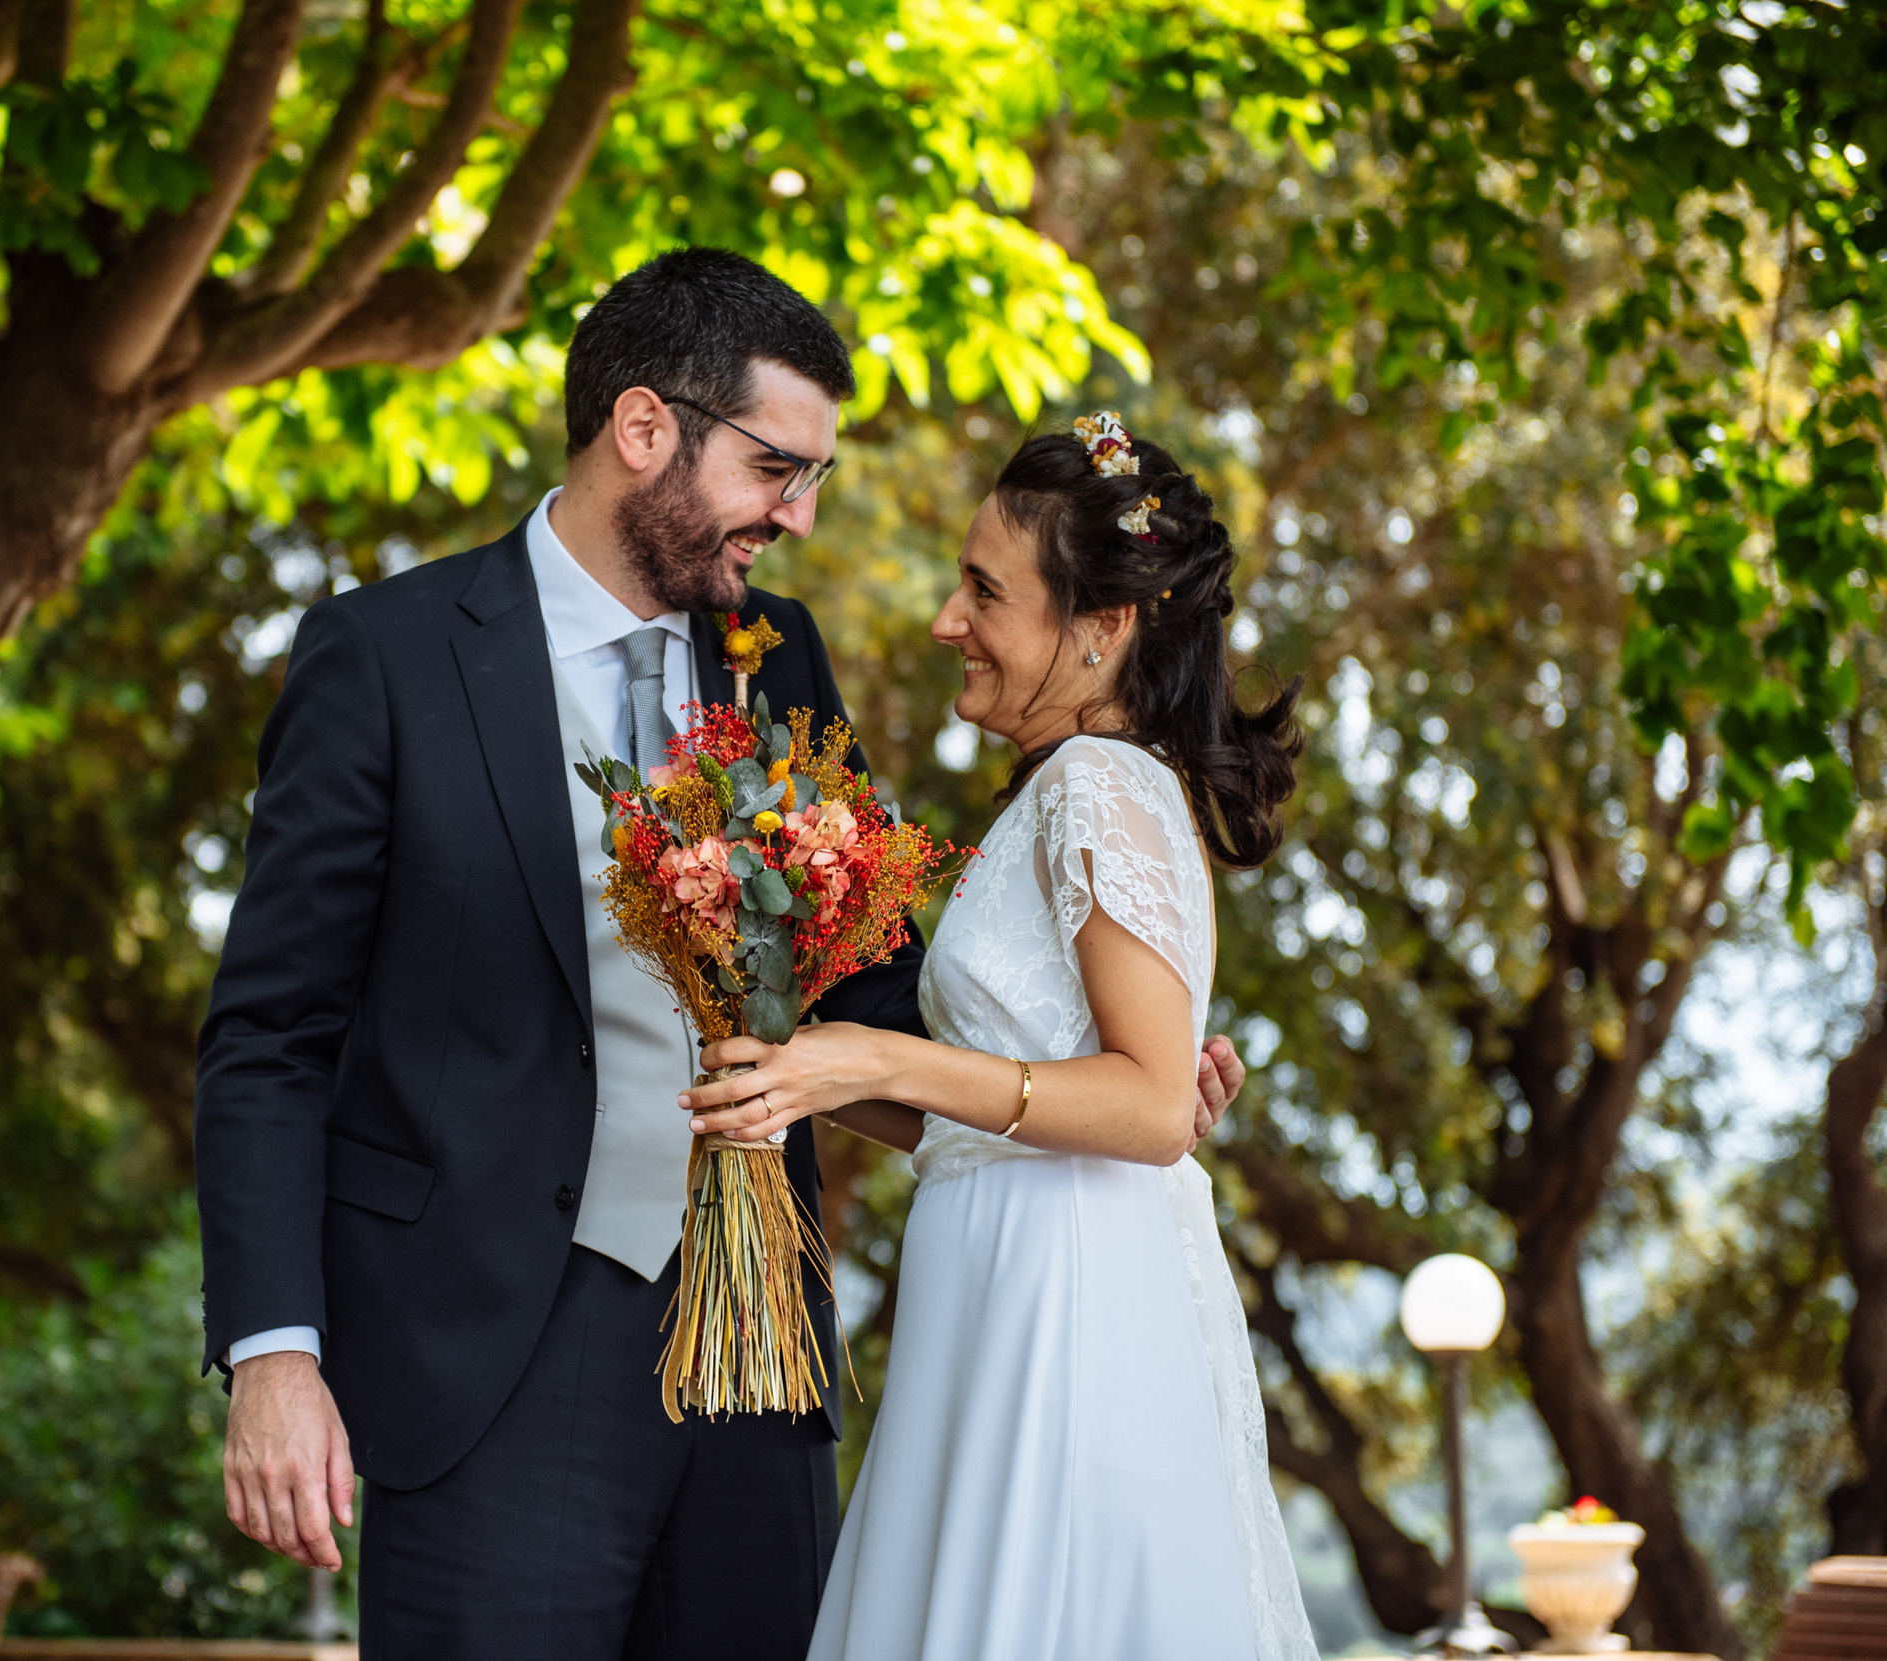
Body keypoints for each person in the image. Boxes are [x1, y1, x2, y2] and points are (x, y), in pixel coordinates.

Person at [192, 253, 1249, 1661]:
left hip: (759, 1363)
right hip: (487, 1361)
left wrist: (1103, 1089)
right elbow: (269, 1036)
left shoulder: (780, 654)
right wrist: (275, 1351)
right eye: (774, 468)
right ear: (645, 429)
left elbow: (862, 997)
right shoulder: (385, 656)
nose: (798, 515)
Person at [681, 415, 1319, 1661]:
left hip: (1060, 1299)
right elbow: (1001, 1106)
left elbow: (1149, 1106)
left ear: (1100, 625)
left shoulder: (1096, 783)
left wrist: (873, 1054)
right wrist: (795, 1065)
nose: (946, 620)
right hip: (1002, 1275)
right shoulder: (1072, 786)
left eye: (984, 590)